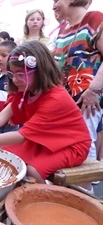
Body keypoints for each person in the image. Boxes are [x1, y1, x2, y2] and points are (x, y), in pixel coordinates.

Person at [0, 40, 91, 185]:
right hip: (44, 139)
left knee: (33, 171)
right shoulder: (25, 90)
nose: (14, 79)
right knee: (7, 154)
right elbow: (1, 118)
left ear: (40, 71)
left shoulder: (56, 98)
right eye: (12, 74)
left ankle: (45, 197)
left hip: (73, 145)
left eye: (20, 74)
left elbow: (21, 136)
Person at [53, 0, 103, 163]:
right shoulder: (63, 30)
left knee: (83, 144)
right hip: (66, 100)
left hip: (87, 98)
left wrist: (93, 90)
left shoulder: (95, 19)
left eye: (56, 0)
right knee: (70, 145)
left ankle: (84, 187)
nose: (53, 6)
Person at [0, 40, 19, 134]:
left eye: (4, 55)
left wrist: (15, 116)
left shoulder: (16, 78)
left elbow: (18, 99)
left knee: (9, 146)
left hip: (10, 121)